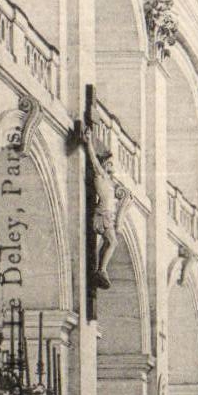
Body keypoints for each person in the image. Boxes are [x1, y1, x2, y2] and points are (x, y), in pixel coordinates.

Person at [77, 119, 119, 289]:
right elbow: (94, 160)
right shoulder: (101, 175)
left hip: (107, 216)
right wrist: (88, 144)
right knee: (112, 242)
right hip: (101, 216)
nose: (112, 167)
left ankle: (101, 269)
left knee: (109, 243)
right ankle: (101, 270)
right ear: (105, 164)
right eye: (109, 163)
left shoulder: (109, 181)